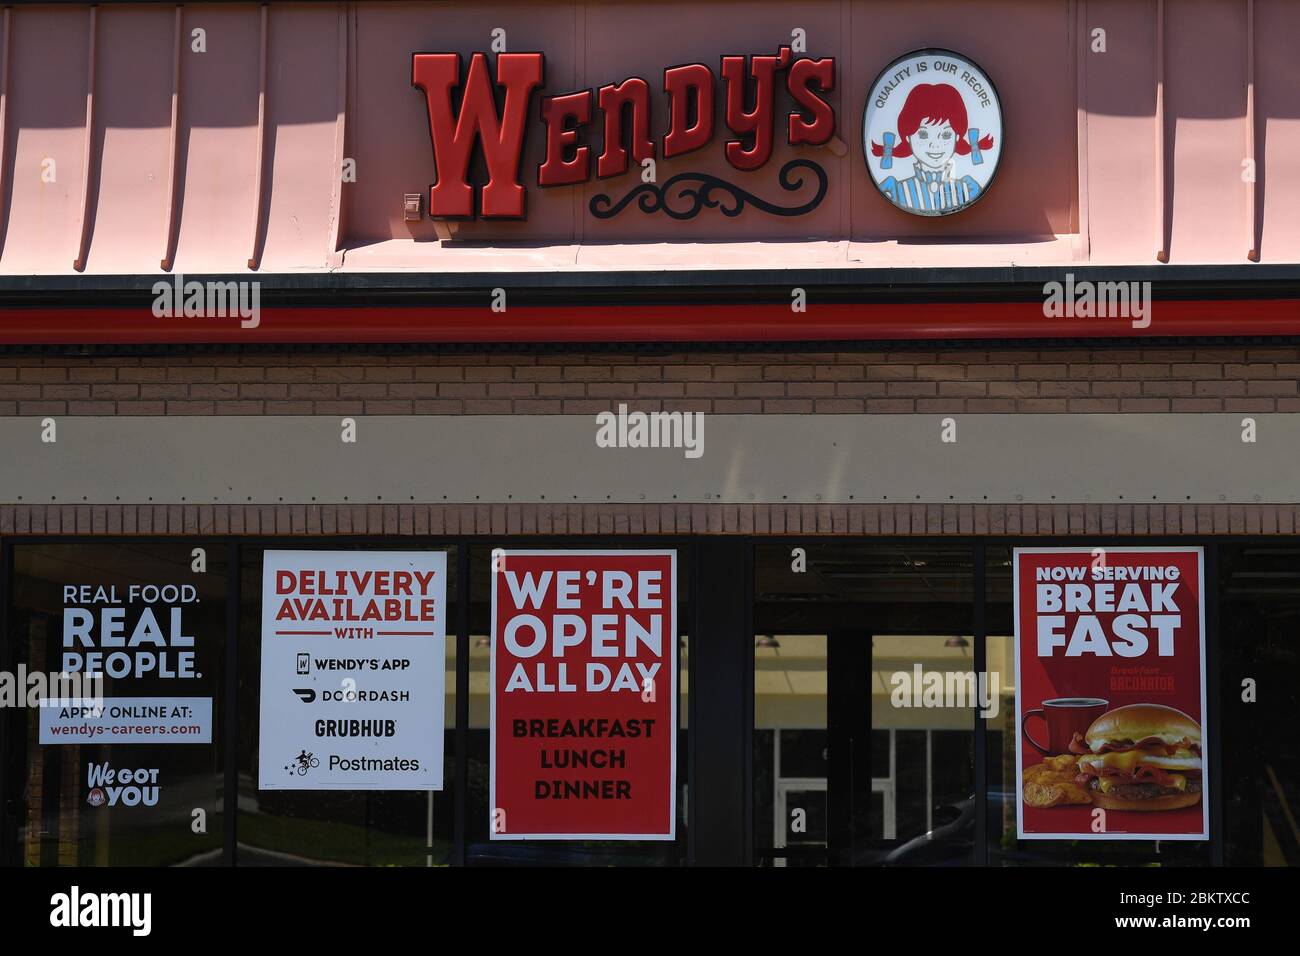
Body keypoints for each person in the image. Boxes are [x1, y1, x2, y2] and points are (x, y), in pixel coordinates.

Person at [870, 83, 995, 214]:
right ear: (908, 137)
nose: (934, 145)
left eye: (946, 135)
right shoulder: (895, 189)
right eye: (923, 134)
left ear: (957, 137)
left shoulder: (969, 188)